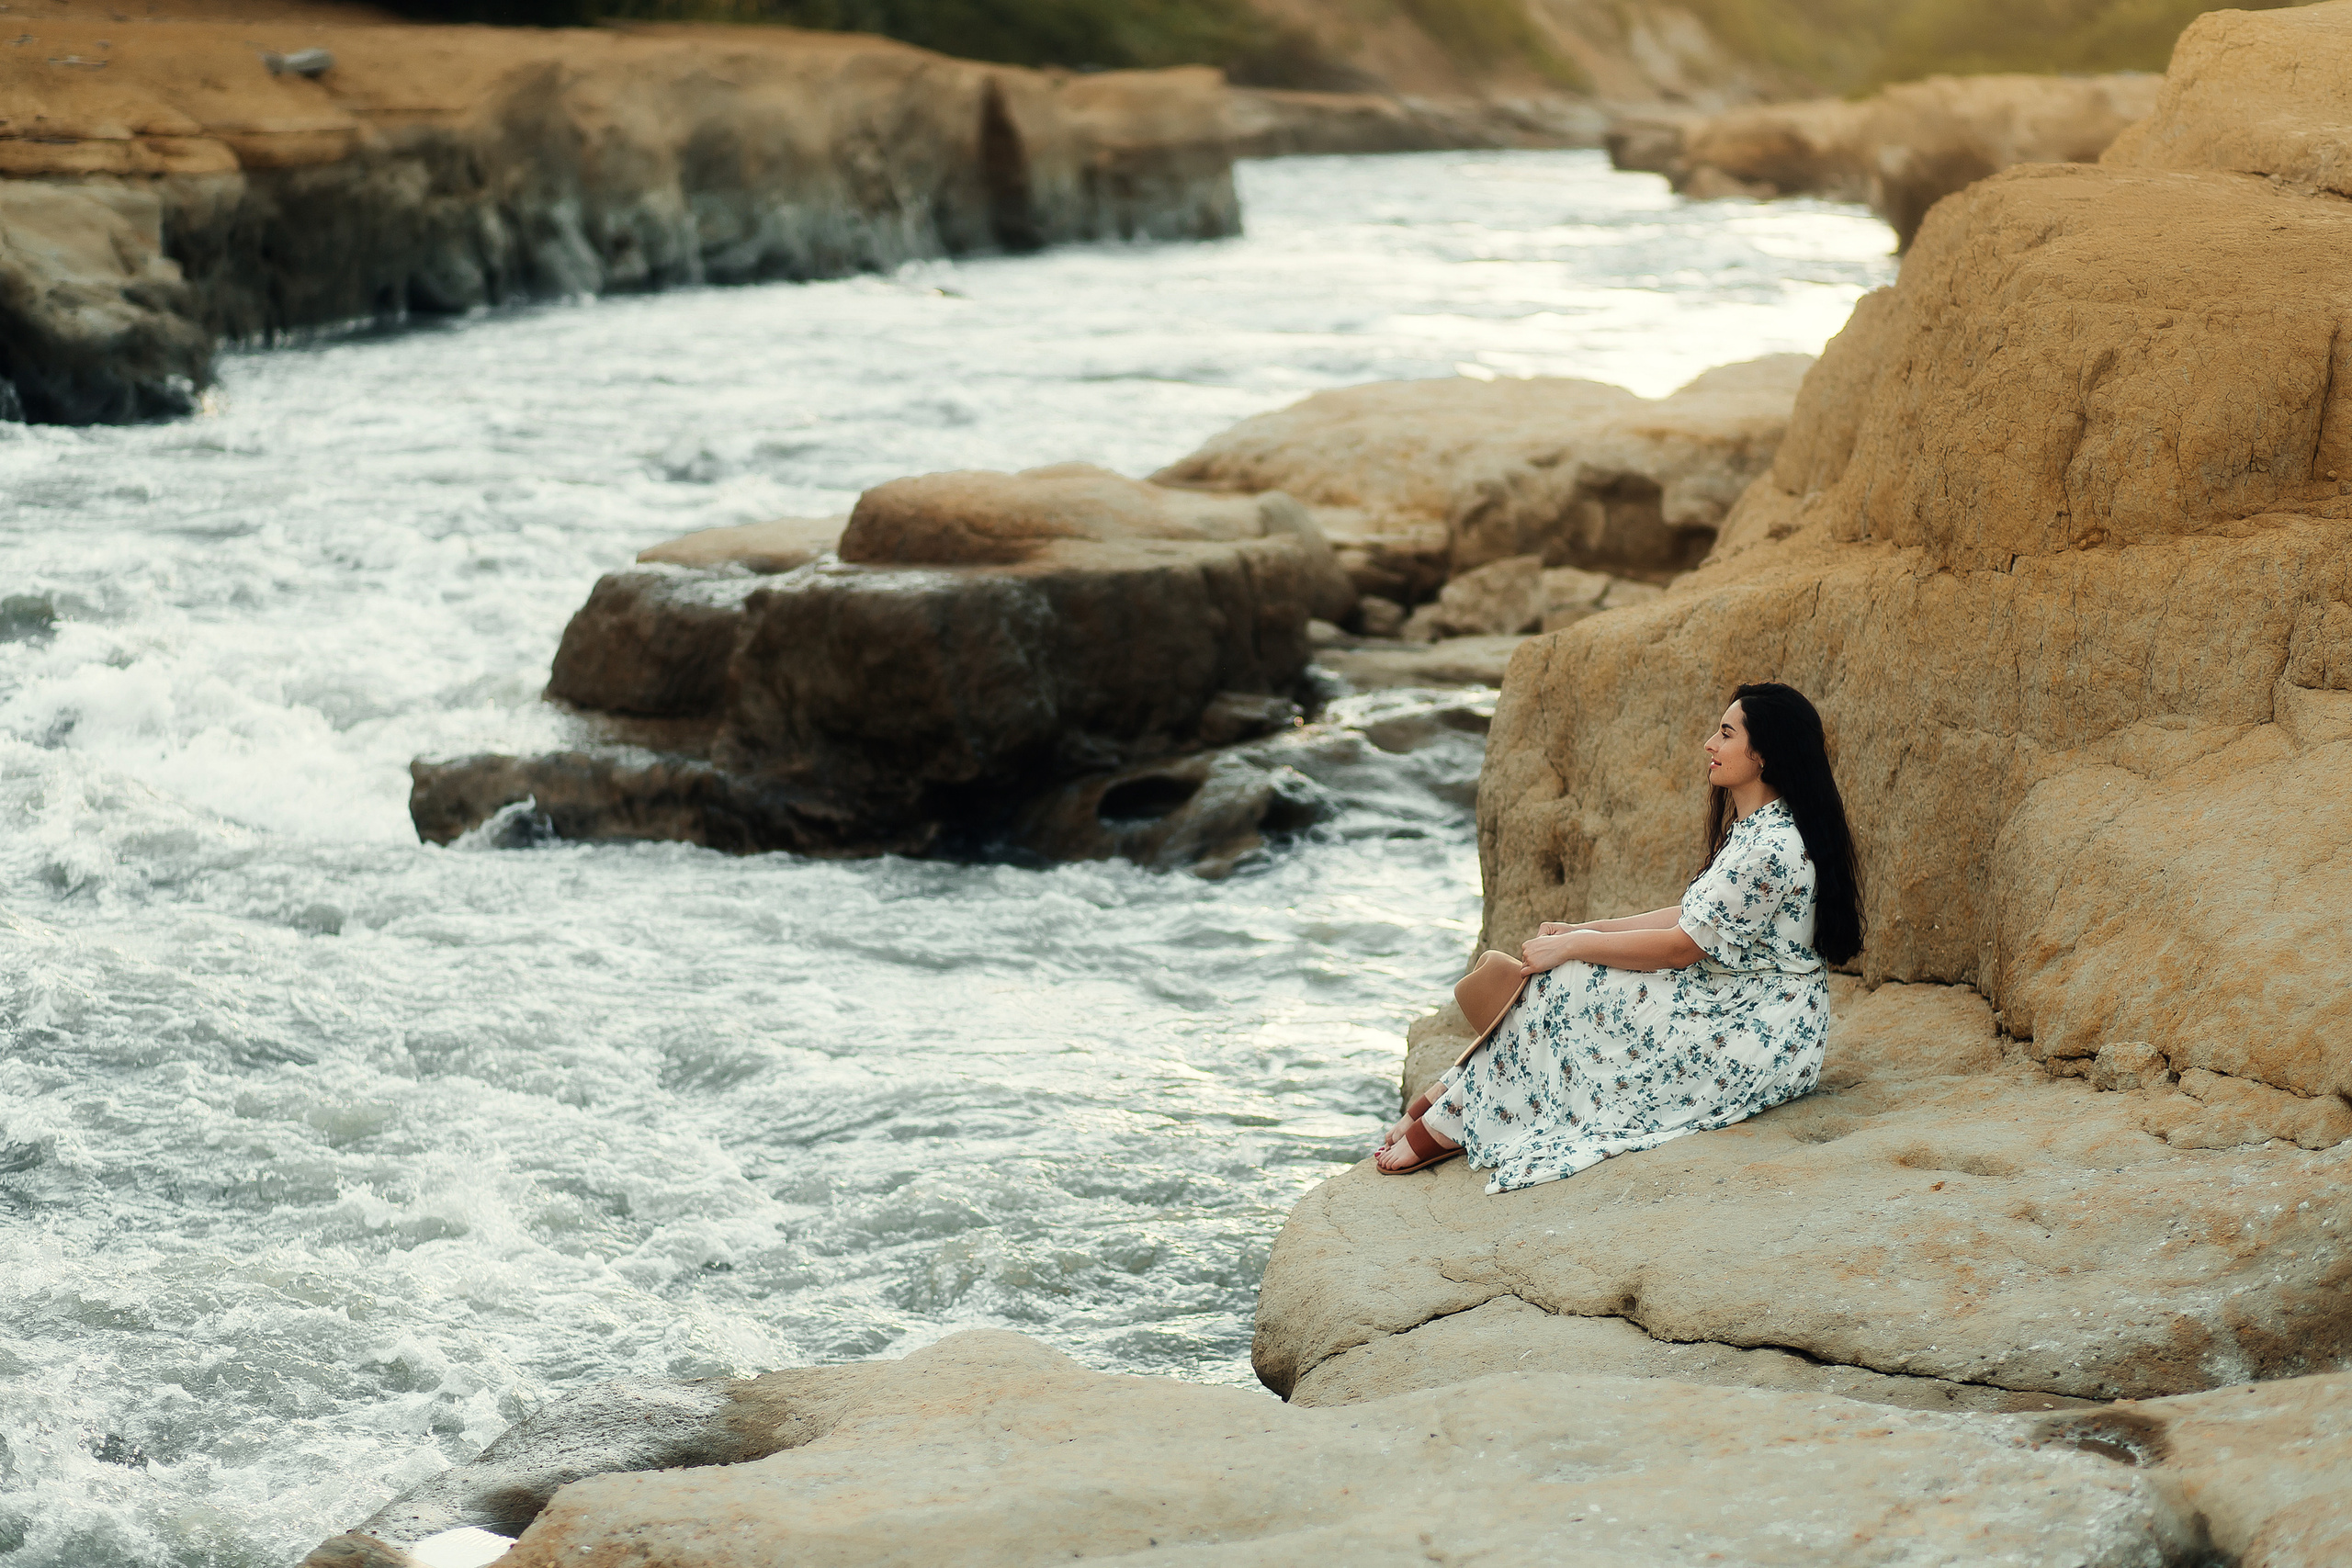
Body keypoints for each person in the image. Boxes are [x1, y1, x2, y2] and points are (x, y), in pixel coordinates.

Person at [1375, 681, 1862, 1191]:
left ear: (1764, 754)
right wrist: (1587, 930)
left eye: (1724, 734)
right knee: (1569, 977)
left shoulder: (1771, 847)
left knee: (1568, 978)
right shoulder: (1759, 827)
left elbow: (1681, 947)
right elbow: (1693, 915)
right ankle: (1453, 1102)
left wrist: (1574, 944)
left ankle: (1447, 1117)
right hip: (1733, 998)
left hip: (1759, 1030)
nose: (1709, 745)